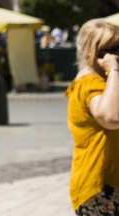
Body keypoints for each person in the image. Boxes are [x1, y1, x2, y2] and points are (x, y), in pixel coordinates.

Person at [65, 18, 119, 214]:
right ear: (95, 51)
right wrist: (113, 69)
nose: (117, 53)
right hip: (100, 188)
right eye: (112, 48)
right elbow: (111, 118)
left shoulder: (104, 82)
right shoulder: (91, 84)